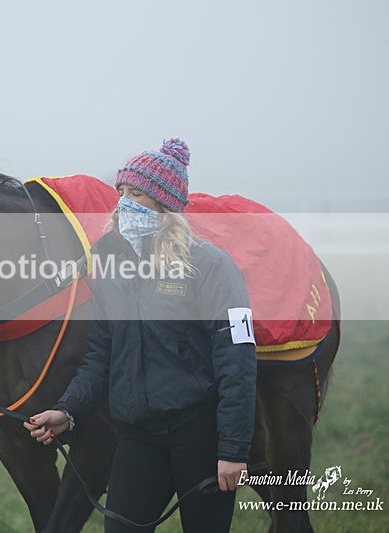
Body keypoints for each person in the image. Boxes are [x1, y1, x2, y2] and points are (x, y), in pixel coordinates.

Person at [24, 138, 257, 532]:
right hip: (137, 436)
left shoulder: (212, 266)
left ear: (165, 205)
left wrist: (233, 450)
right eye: (122, 191)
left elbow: (238, 361)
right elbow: (101, 353)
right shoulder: (108, 259)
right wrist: (68, 410)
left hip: (200, 436)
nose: (124, 203)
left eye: (137, 193)